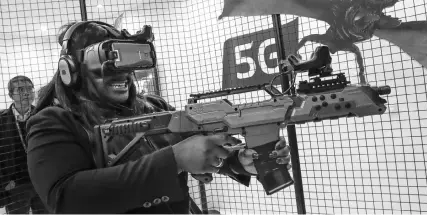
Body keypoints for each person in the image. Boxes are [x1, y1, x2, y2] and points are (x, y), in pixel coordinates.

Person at [26, 21, 292, 214]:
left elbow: (203, 150)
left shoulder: (154, 106)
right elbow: (66, 199)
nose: (123, 77)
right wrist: (173, 160)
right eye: (107, 71)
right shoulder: (52, 122)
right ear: (70, 71)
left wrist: (240, 160)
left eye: (128, 69)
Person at [0, 76, 48, 214]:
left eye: (29, 88)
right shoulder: (2, 121)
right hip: (15, 186)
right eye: (20, 89)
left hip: (42, 182)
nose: (27, 93)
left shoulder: (43, 115)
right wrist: (4, 183)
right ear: (10, 95)